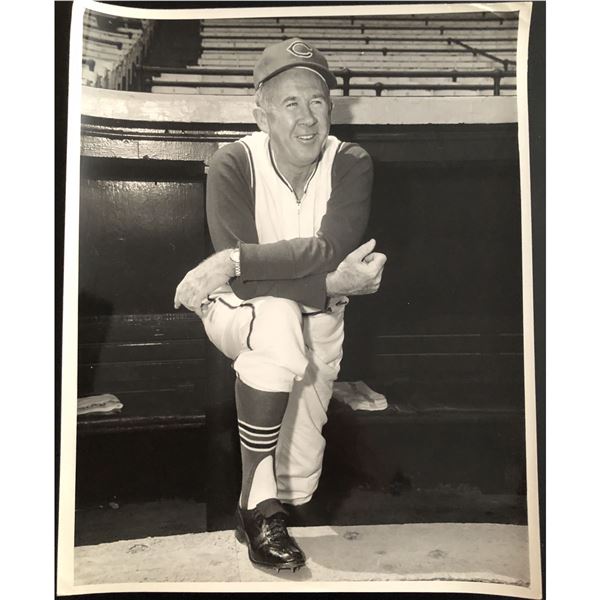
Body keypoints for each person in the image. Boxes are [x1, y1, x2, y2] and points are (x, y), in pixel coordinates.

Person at [174, 38, 387, 572]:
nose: (307, 118)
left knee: (297, 485)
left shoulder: (350, 162)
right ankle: (257, 507)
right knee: (275, 317)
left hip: (318, 329)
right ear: (261, 113)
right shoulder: (234, 162)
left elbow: (329, 247)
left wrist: (234, 260)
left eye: (317, 102)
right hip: (235, 311)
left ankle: (259, 503)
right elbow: (248, 287)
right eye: (290, 103)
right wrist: (329, 284)